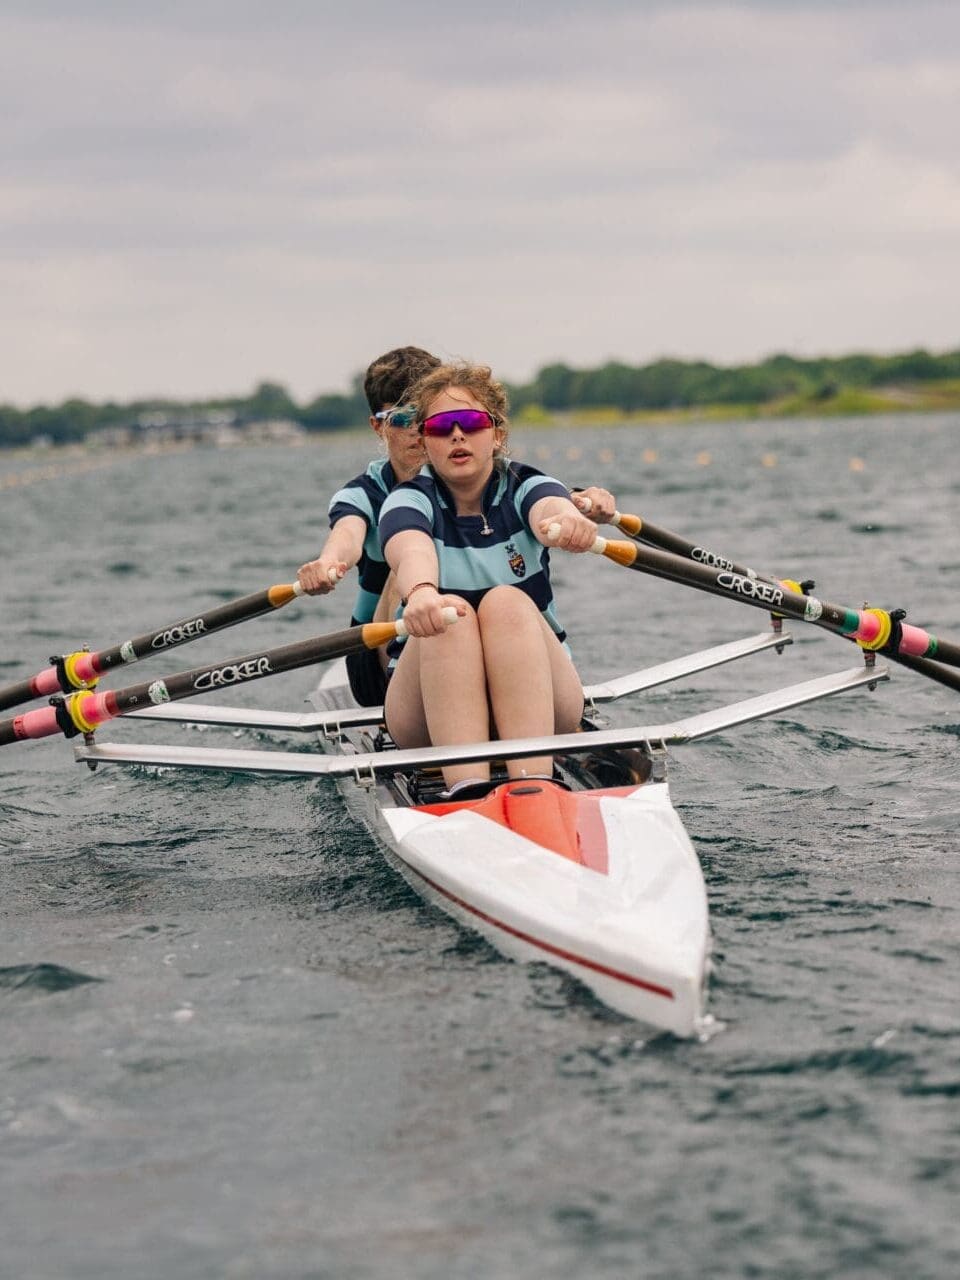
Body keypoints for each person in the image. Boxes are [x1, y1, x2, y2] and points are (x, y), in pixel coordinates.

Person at [298, 346, 617, 708]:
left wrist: (575, 506)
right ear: (378, 426)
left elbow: (535, 497)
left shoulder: (498, 481)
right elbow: (347, 537)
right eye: (404, 419)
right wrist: (327, 564)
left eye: (434, 417)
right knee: (404, 568)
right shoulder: (366, 494)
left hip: (476, 630)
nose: (428, 434)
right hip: (390, 650)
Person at [378, 361, 599, 796]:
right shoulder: (408, 500)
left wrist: (568, 520)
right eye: (442, 427)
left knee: (506, 602)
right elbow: (411, 549)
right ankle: (467, 789)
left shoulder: (526, 484)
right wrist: (421, 592)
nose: (457, 435)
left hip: (547, 701)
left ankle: (533, 785)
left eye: (472, 423)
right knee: (449, 613)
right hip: (426, 714)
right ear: (424, 441)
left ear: (496, 434)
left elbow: (549, 508)